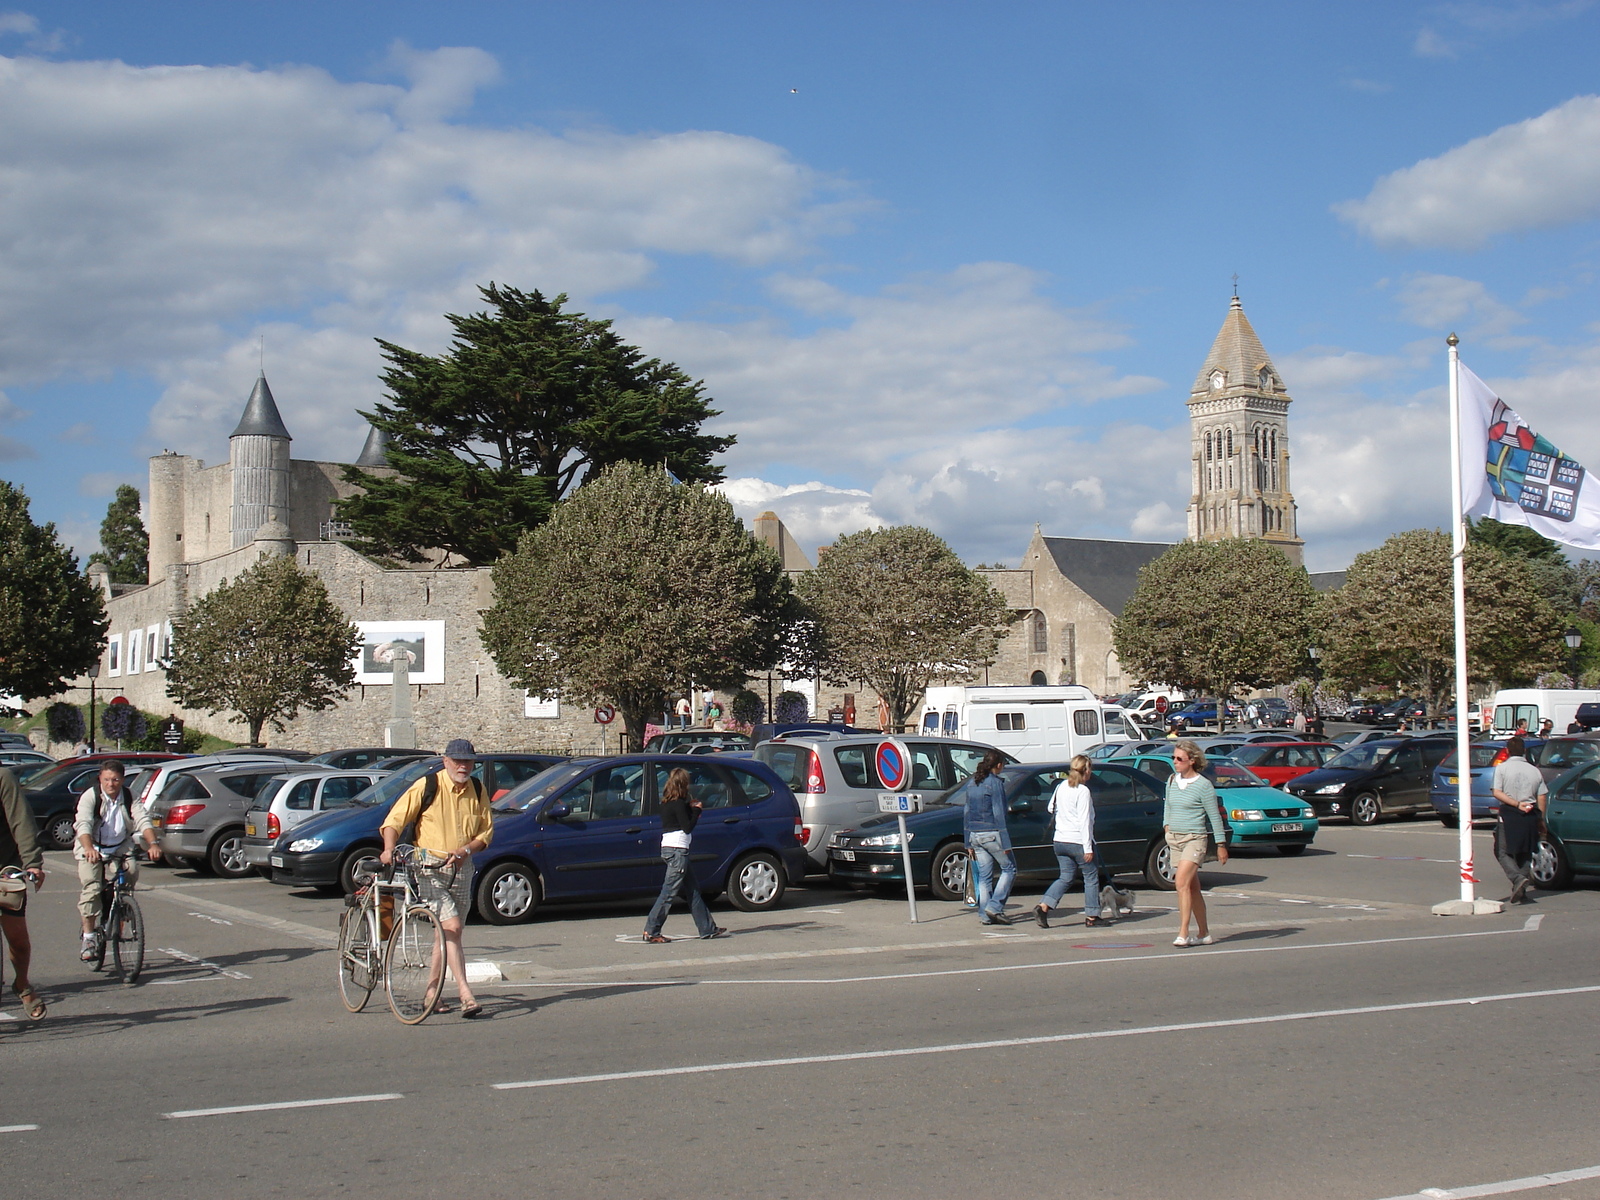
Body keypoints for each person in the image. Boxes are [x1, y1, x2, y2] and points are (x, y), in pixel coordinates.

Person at [380, 740, 494, 1019]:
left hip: (461, 868)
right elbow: (394, 820)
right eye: (457, 761)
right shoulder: (427, 786)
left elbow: (486, 833)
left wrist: (466, 849)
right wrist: (388, 849)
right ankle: (466, 994)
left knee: (447, 933)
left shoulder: (477, 790)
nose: (463, 766)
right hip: (428, 868)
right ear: (445, 761)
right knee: (451, 926)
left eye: (467, 762)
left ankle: (432, 993)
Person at [75, 760, 160, 962]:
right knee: (92, 888)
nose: (110, 784)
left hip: (119, 845)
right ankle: (88, 938)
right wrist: (88, 848)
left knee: (131, 869)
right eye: (106, 779)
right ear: (100, 779)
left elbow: (142, 819)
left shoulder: (130, 796)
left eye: (115, 780)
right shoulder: (91, 797)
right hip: (92, 846)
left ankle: (122, 905)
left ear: (122, 780)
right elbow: (83, 824)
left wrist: (153, 844)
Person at [643, 767, 728, 943]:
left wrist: (689, 808)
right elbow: (687, 827)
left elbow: (676, 819)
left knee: (693, 890)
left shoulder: (667, 802)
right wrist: (696, 810)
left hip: (670, 848)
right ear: (683, 784)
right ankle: (652, 930)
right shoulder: (679, 804)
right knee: (668, 893)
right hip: (678, 851)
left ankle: (707, 928)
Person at [1164, 740, 1228, 947]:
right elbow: (1168, 807)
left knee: (1180, 883)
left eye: (1179, 759)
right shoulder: (1172, 780)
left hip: (1195, 838)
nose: (1175, 762)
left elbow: (1214, 817)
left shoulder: (1203, 785)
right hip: (1175, 838)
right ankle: (1204, 933)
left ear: (1192, 761)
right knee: (1192, 888)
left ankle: (1183, 932)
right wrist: (1166, 826)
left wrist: (1220, 844)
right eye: (1173, 757)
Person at [1033, 755, 1104, 929]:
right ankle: (1092, 916)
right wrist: (1088, 848)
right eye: (1090, 769)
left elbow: (1051, 807)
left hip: (1060, 839)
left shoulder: (1061, 786)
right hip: (1077, 840)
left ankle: (1044, 906)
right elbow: (1085, 821)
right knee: (1091, 877)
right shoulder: (1083, 791)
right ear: (1086, 771)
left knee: (1065, 877)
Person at [0, 766, 46, 1020]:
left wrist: (32, 863)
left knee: (17, 940)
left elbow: (21, 821)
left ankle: (22, 983)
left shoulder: (2, 778)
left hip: (4, 870)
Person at [1490, 735, 1547, 904]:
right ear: (1524, 751)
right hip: (1530, 813)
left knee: (1501, 851)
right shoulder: (1534, 770)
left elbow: (1496, 792)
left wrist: (1516, 803)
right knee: (1526, 851)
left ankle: (1517, 879)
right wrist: (1541, 819)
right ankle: (1521, 886)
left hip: (1509, 813)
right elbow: (1542, 796)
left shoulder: (1502, 769)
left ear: (1507, 751)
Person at [965, 749, 1015, 925]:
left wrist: (967, 841)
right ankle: (994, 906)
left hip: (975, 835)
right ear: (999, 765)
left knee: (985, 876)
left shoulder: (973, 782)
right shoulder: (995, 783)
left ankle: (985, 914)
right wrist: (1006, 841)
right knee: (1009, 868)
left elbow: (967, 812)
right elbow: (999, 813)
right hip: (992, 833)